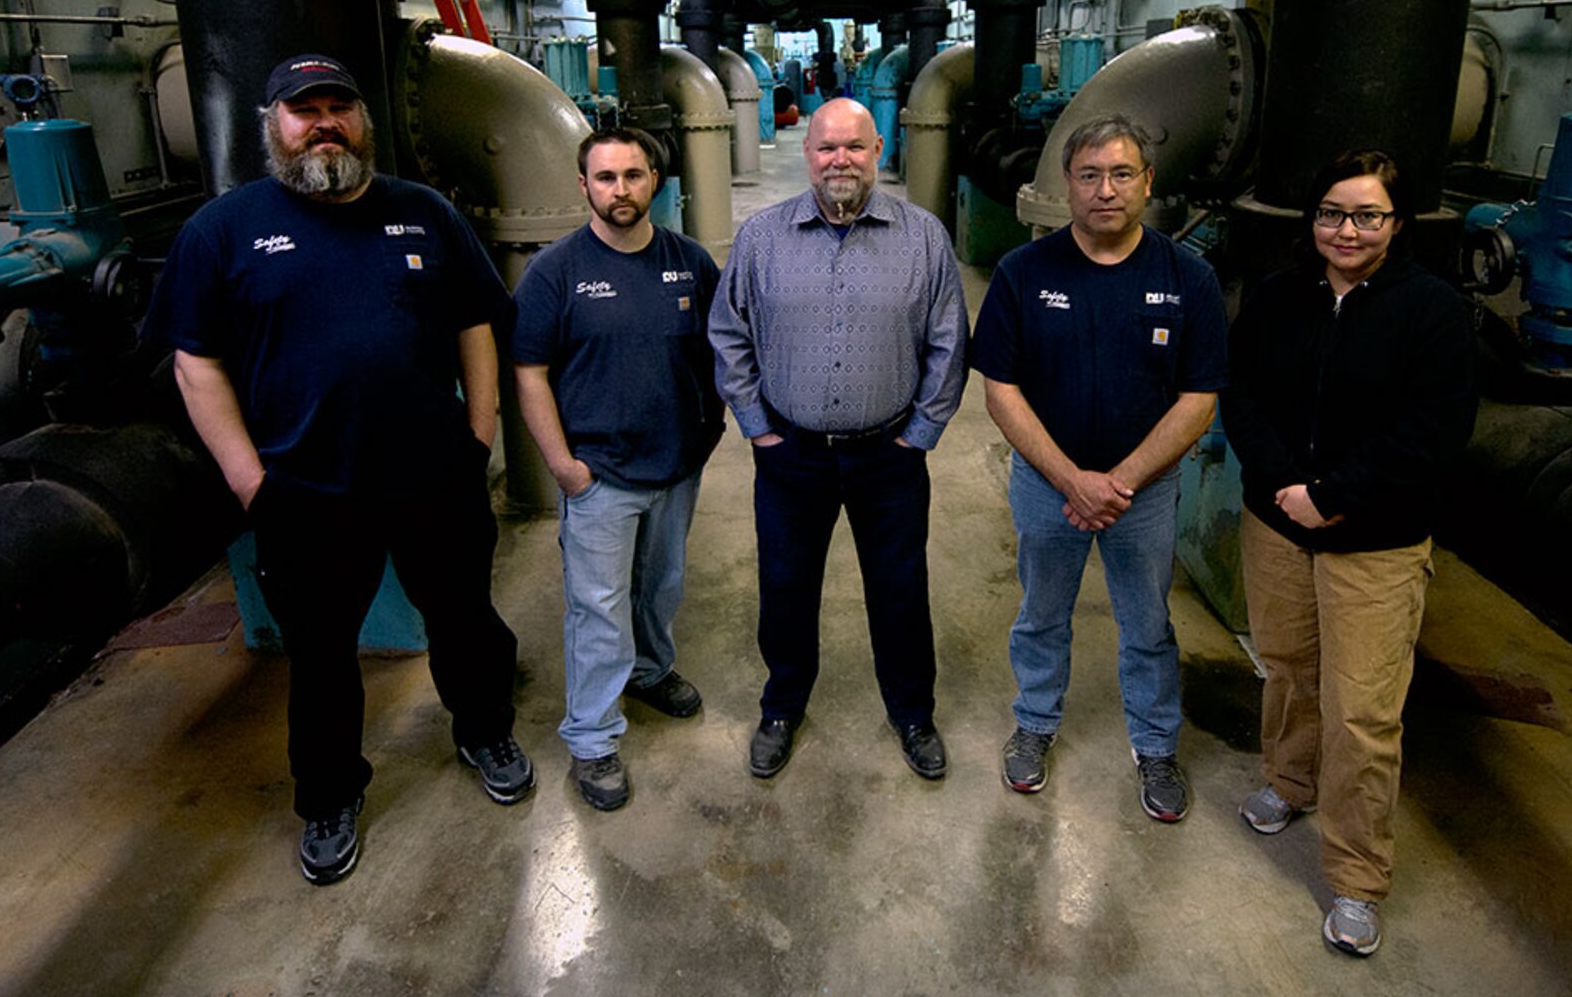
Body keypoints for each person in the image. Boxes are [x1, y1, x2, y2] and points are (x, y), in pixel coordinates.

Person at [149, 52, 533, 886]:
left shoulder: (425, 212)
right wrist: (254, 484)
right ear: (273, 125)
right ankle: (328, 794)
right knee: (321, 654)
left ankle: (483, 730)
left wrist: (478, 434)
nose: (324, 122)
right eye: (304, 109)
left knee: (466, 617)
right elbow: (195, 364)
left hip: (435, 474)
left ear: (364, 119)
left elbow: (476, 322)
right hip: (306, 492)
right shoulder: (224, 230)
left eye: (339, 106)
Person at [1221, 149, 1477, 957]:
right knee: (1290, 668)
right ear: (1313, 220)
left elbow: (1433, 431)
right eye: (1333, 212)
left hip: (1375, 540)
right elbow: (1242, 396)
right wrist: (1285, 484)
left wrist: (1332, 494)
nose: (1347, 230)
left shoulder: (1433, 312)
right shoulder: (1278, 299)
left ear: (1397, 225)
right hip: (1278, 525)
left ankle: (1358, 873)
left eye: (1368, 215)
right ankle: (1289, 781)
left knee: (1363, 712)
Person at [970, 114, 1226, 820]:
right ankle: (1035, 723)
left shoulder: (1188, 277)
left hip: (1141, 494)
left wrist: (1120, 482)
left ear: (1148, 182)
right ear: (1067, 183)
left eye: (1121, 174)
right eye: (1089, 175)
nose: (1105, 189)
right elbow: (1001, 390)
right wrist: (1070, 479)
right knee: (1041, 614)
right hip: (1047, 485)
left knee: (1146, 622)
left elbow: (1198, 399)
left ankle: (1155, 744)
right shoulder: (1026, 272)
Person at [709, 97, 968, 781]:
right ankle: (783, 705)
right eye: (827, 148)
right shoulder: (762, 237)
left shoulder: (924, 238)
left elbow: (948, 341)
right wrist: (757, 425)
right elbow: (729, 332)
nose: (840, 161)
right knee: (786, 585)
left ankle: (912, 711)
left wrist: (921, 432)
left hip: (890, 455)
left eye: (854, 147)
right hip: (791, 455)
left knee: (900, 587)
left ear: (878, 149)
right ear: (806, 153)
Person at [512, 126, 724, 812]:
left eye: (633, 175)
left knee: (660, 585)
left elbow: (722, 353)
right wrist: (562, 466)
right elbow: (530, 372)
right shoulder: (556, 271)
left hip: (675, 465)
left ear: (654, 181)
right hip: (599, 472)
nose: (621, 190)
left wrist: (708, 431)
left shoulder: (689, 263)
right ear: (583, 186)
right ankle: (594, 738)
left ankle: (650, 670)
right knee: (598, 607)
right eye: (605, 178)